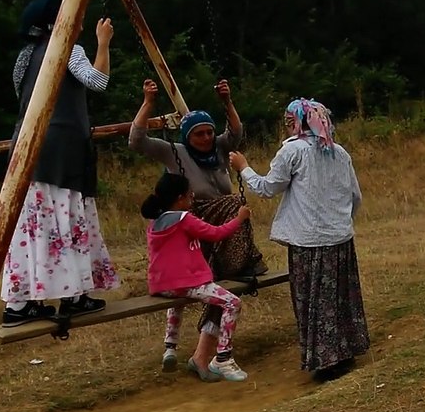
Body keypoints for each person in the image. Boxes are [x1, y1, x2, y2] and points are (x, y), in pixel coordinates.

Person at [129, 78, 266, 370]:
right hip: (196, 219)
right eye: (198, 134)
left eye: (209, 132)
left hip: (221, 222)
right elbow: (137, 141)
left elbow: (236, 132)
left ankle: (236, 263)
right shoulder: (175, 152)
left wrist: (227, 102)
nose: (205, 138)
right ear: (187, 136)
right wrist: (148, 103)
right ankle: (236, 265)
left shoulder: (219, 148)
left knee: (231, 205)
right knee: (234, 206)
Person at [229, 99, 368, 382]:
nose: (286, 124)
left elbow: (267, 188)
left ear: (302, 121)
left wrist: (243, 167)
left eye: (290, 119)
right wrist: (340, 222)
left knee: (315, 301)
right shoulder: (339, 152)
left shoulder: (293, 151)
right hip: (340, 239)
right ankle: (346, 350)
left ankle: (326, 362)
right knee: (339, 297)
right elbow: (355, 196)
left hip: (309, 242)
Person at [0, 0, 118, 326]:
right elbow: (98, 81)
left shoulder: (25, 57)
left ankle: (19, 304)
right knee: (68, 218)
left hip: (27, 146)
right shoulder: (68, 49)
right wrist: (103, 43)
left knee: (33, 225)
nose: (79, 22)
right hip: (62, 149)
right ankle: (74, 296)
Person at [141, 172, 252, 382]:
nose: (192, 198)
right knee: (233, 303)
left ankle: (170, 347)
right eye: (190, 194)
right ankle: (223, 357)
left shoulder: (154, 222)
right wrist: (239, 218)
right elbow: (216, 234)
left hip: (161, 285)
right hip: (187, 283)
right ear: (180, 198)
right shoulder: (184, 219)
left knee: (177, 301)